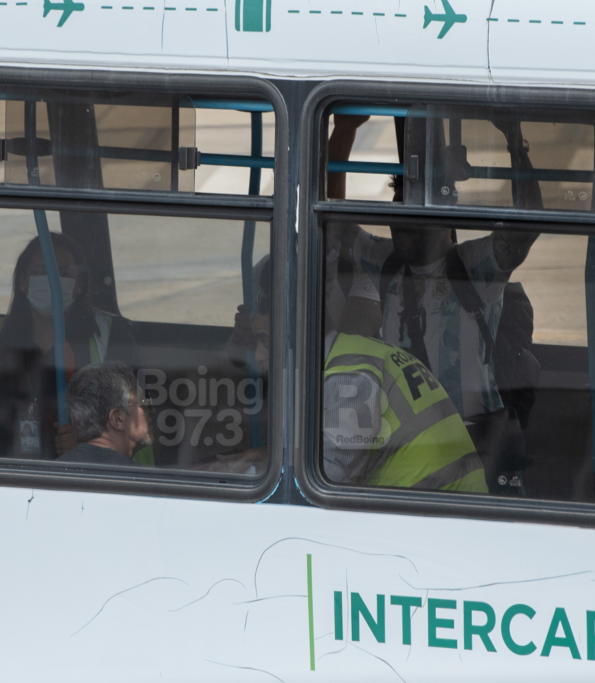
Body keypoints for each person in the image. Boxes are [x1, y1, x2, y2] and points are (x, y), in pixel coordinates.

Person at [324, 114, 540, 422]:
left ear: (443, 217)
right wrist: (344, 132)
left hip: (472, 435)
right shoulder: (387, 262)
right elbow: (331, 220)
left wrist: (515, 143)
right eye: (396, 215)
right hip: (410, 437)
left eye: (412, 218)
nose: (400, 226)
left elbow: (524, 230)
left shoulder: (474, 267)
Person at [221, 256, 488, 493]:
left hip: (438, 514)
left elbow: (327, 474)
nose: (259, 355)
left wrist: (257, 461)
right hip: (441, 504)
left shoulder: (349, 375)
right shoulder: (358, 353)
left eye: (265, 340)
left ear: (295, 333)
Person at [0, 232, 144, 459]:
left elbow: (137, 425)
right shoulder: (3, 340)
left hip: (91, 475)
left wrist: (89, 444)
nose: (51, 280)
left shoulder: (111, 334)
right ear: (23, 282)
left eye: (63, 273)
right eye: (41, 271)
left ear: (79, 284)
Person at [57, 361, 150, 465]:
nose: (151, 410)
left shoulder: (52, 471)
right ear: (118, 418)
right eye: (142, 403)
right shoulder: (138, 474)